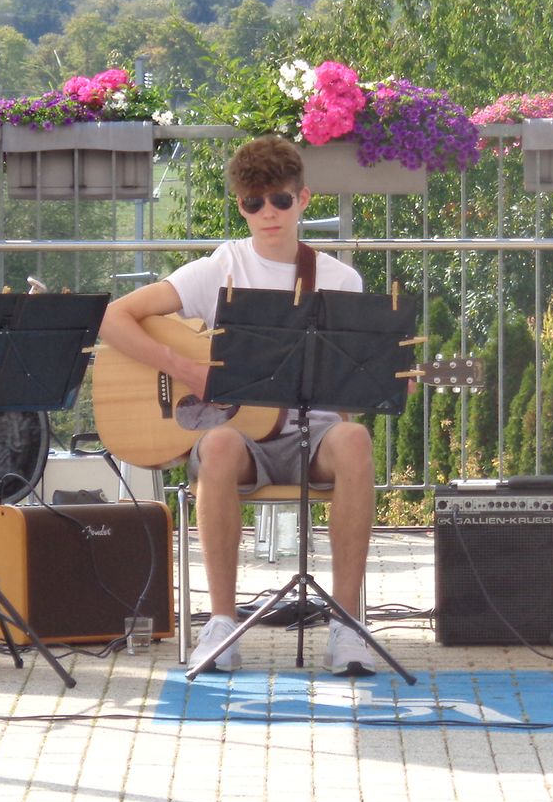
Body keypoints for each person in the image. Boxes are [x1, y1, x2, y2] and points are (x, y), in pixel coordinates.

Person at [99, 135, 378, 676]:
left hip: (314, 436)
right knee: (220, 445)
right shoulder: (218, 268)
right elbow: (113, 317)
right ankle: (222, 624)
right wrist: (186, 369)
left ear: (303, 199)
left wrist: (374, 381)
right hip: (243, 441)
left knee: (354, 439)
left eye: (280, 199)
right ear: (241, 207)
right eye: (254, 202)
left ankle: (345, 625)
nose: (268, 213)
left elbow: (351, 391)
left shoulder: (340, 279)